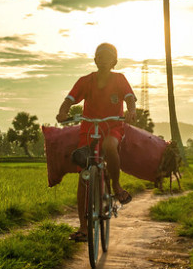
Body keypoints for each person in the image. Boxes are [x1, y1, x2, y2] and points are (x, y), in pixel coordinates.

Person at [56, 42, 137, 242]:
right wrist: (63, 111)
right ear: (95, 60)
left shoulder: (119, 80)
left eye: (108, 57)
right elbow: (70, 98)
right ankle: (84, 228)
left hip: (112, 127)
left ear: (114, 62)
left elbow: (129, 98)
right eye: (100, 56)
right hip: (89, 129)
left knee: (110, 146)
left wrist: (132, 110)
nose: (103, 60)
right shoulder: (86, 81)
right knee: (84, 176)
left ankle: (116, 187)